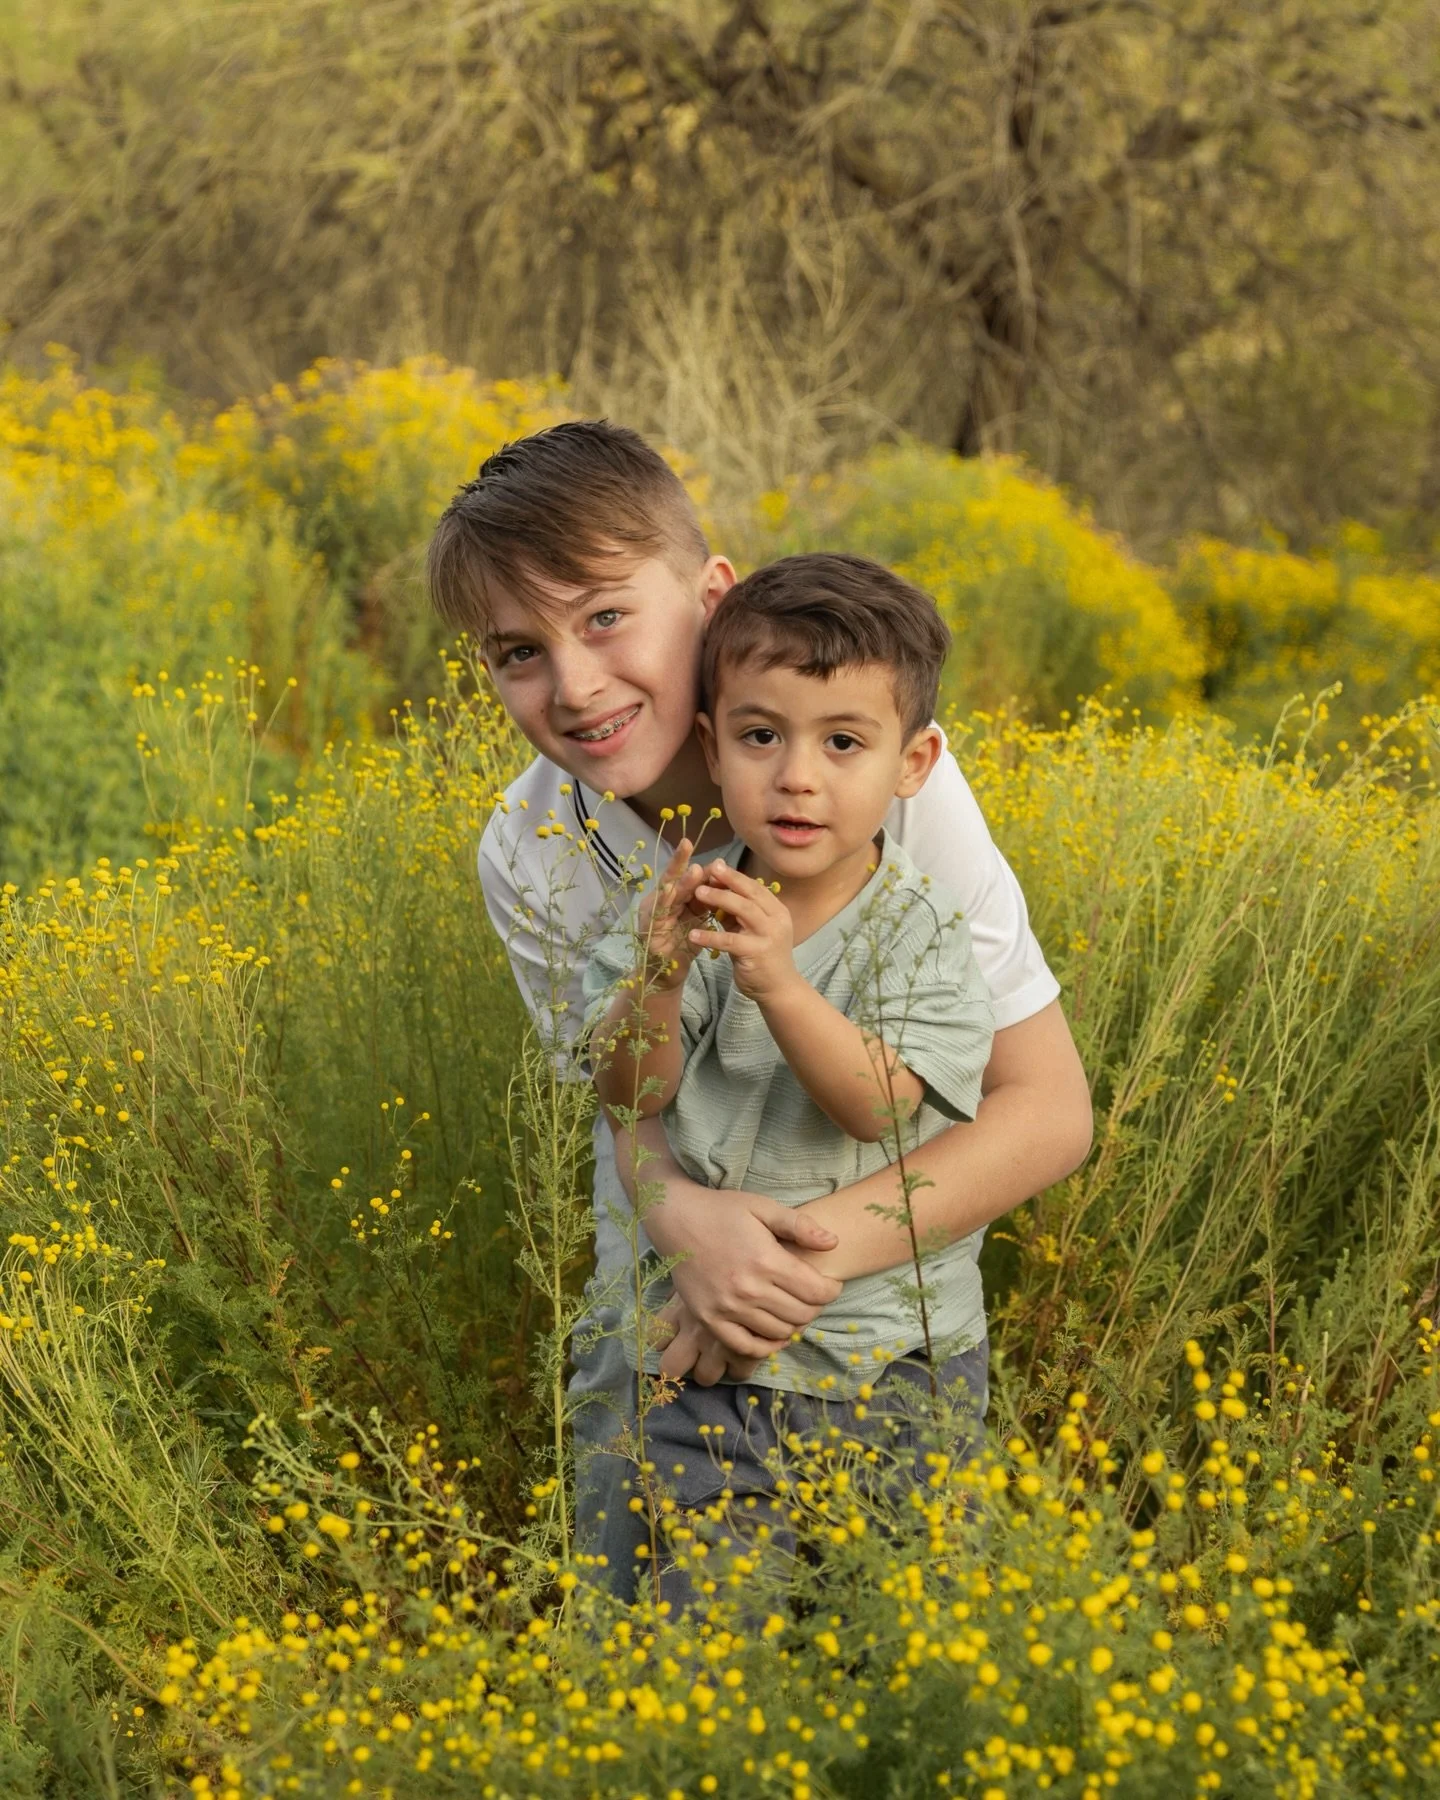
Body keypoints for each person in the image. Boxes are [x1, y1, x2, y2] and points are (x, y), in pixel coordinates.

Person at [426, 420, 1093, 1599]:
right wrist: (686, 1231)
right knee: (655, 1628)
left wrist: (771, 1273)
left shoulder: (867, 772)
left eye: (606, 616)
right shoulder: (529, 851)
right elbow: (624, 1108)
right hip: (665, 1295)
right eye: (519, 651)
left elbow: (1044, 1111)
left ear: (712, 596)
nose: (574, 686)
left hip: (878, 1308)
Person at [581, 554, 997, 1605]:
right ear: (712, 748)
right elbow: (628, 1097)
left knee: (894, 1633)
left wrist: (778, 981)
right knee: (700, 1631)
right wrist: (658, 980)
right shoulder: (676, 910)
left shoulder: (922, 927)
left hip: (894, 1362)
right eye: (762, 737)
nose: (797, 776)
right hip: (703, 1359)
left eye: (842, 743)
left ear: (913, 763)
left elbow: (880, 1106)